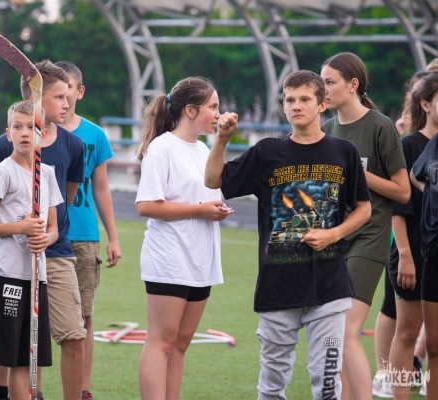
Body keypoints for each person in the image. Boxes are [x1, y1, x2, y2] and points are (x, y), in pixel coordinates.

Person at [205, 70, 371, 399]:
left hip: (330, 287)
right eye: (289, 100)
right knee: (272, 385)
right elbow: (213, 181)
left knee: (327, 384)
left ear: (322, 104)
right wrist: (221, 139)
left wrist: (332, 234)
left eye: (304, 99)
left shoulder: (344, 151)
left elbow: (364, 208)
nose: (296, 105)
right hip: (278, 286)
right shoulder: (266, 152)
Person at [0, 60, 86, 400]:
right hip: (12, 264)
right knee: (10, 348)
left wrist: (47, 235)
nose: (67, 103)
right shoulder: (4, 146)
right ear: (36, 98)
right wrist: (16, 234)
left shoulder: (73, 146)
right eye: (59, 97)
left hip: (55, 256)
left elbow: (63, 203)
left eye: (68, 96)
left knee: (71, 336)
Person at [135, 76, 234, 400]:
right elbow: (146, 205)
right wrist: (200, 210)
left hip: (200, 259)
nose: (218, 113)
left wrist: (216, 210)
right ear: (190, 110)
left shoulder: (204, 149)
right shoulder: (162, 148)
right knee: (160, 342)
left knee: (180, 344)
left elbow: (206, 199)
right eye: (212, 107)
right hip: (170, 259)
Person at [320, 52, 410, 400]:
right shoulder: (327, 129)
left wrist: (359, 174)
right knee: (333, 332)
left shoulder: (379, 126)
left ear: (352, 84)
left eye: (330, 82)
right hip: (335, 238)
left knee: (345, 331)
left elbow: (402, 191)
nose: (323, 89)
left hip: (370, 238)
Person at [0, 101, 62, 400]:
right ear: (8, 133)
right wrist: (19, 227)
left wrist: (46, 239)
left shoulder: (47, 174)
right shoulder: (2, 173)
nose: (25, 133)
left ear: (43, 133)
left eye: (32, 127)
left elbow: (53, 228)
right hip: (5, 277)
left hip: (36, 278)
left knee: (25, 360)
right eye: (18, 127)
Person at [54, 60, 122, 400]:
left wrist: (113, 237)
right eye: (56, 88)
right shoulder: (35, 130)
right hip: (43, 235)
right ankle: (32, 388)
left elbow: (101, 188)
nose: (63, 94)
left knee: (83, 317)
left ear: (79, 91)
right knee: (37, 315)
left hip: (83, 236)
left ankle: (82, 388)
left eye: (68, 87)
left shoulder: (95, 134)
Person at [371, 69, 430, 398]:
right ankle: (393, 385)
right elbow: (399, 204)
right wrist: (405, 255)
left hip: (433, 254)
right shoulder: (408, 143)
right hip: (412, 251)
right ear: (425, 104)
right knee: (404, 330)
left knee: (433, 338)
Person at [411, 101, 438, 400]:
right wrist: (430, 194)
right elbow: (415, 174)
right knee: (433, 345)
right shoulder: (435, 143)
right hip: (433, 254)